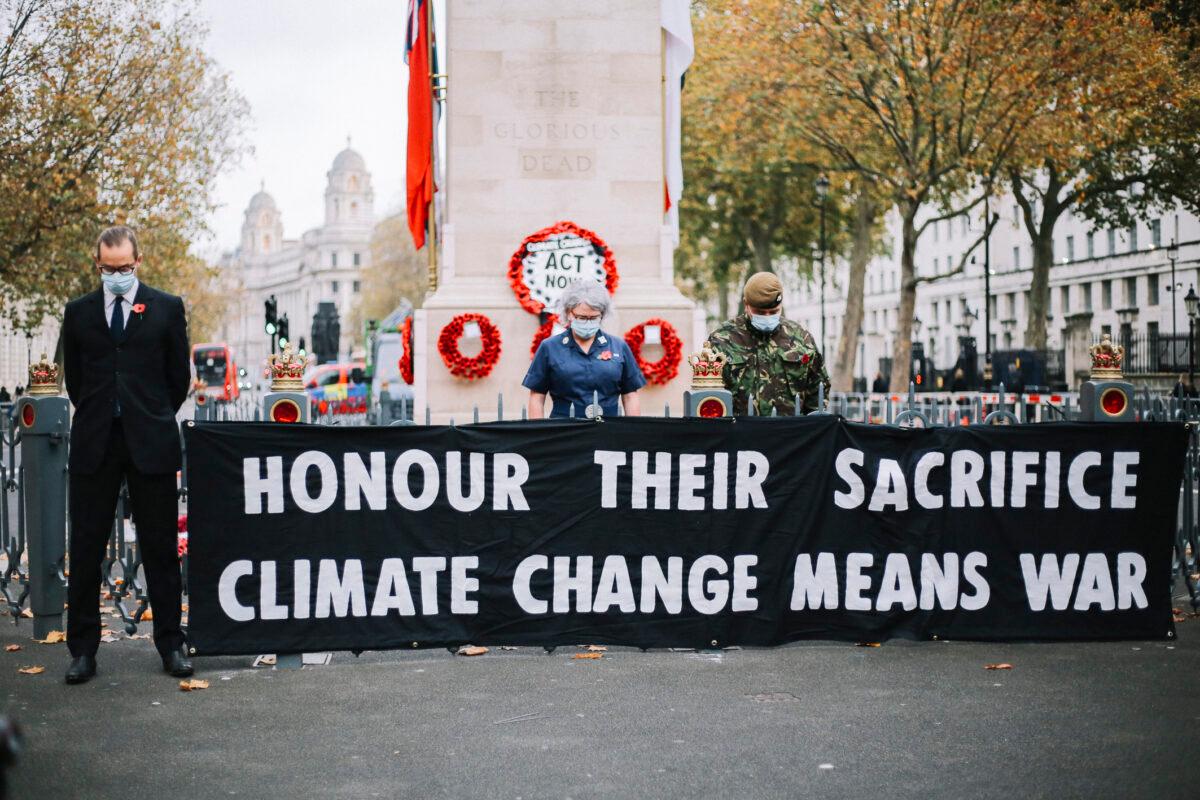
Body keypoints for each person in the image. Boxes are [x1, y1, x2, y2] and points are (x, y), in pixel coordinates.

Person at [61, 225, 192, 685]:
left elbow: (179, 379)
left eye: (125, 268)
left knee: (160, 549)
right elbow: (75, 379)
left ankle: (172, 644)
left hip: (150, 442)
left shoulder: (167, 308)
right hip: (96, 442)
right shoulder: (77, 314)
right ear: (97, 264)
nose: (116, 275)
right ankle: (82, 650)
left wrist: (151, 413)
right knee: (86, 548)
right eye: (108, 269)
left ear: (139, 261)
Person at [708, 271, 830, 415]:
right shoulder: (722, 340)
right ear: (746, 304)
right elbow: (710, 395)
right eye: (760, 312)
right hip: (740, 433)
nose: (767, 317)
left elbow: (818, 388)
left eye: (773, 312)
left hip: (790, 433)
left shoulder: (801, 338)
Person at [523, 279, 645, 418]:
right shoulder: (550, 347)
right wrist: (539, 433)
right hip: (564, 428)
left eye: (593, 318)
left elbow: (630, 395)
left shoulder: (618, 347)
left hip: (609, 429)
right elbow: (537, 396)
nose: (588, 322)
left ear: (602, 315)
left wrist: (634, 432)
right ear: (569, 313)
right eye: (581, 317)